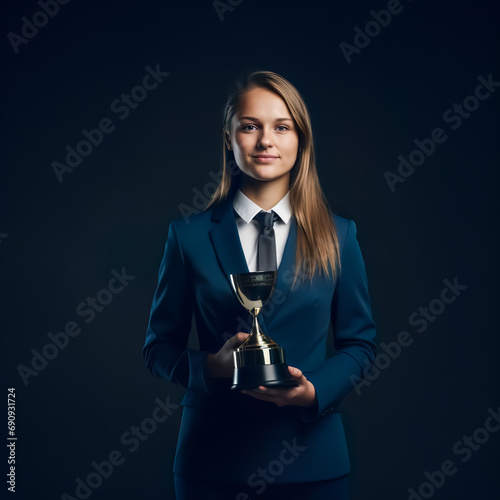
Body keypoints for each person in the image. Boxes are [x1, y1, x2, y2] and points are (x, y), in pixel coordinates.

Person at [143, 70, 377, 500]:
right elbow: (157, 347)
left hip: (313, 463)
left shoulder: (339, 235)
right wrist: (209, 368)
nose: (265, 140)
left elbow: (360, 344)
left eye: (281, 127)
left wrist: (313, 391)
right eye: (250, 126)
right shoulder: (188, 236)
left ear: (300, 140)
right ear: (229, 138)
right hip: (211, 463)